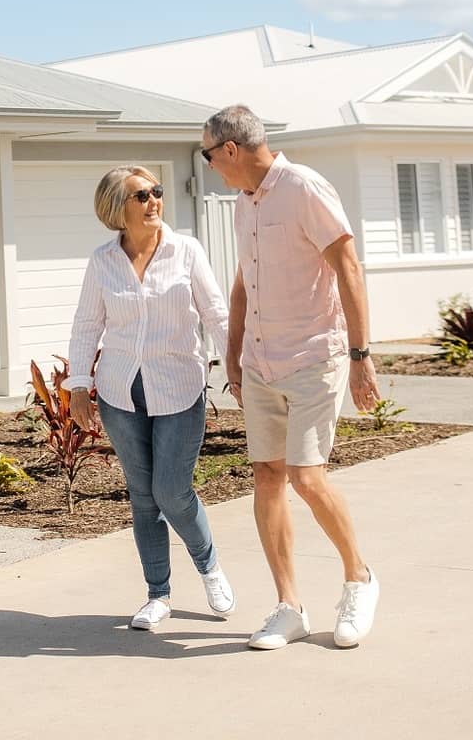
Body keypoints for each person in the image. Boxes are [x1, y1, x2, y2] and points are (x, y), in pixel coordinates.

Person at [202, 104, 382, 651]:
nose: (209, 164)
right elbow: (242, 285)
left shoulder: (305, 187)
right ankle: (289, 606)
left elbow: (347, 267)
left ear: (231, 148)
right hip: (260, 363)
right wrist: (232, 355)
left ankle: (359, 578)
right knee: (267, 477)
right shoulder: (243, 202)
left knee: (307, 476)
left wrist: (360, 354)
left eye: (208, 154)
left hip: (311, 357)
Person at [66, 164, 236, 632]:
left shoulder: (186, 251)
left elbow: (215, 313)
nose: (153, 202)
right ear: (117, 209)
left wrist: (235, 367)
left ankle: (209, 567)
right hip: (122, 390)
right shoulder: (103, 260)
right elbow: (87, 325)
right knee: (143, 497)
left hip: (179, 386)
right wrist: (79, 385)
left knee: (172, 491)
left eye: (156, 192)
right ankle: (158, 595)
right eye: (141, 195)